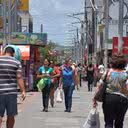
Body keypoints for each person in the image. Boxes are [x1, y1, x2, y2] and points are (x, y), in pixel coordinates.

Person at [93, 54, 128, 128]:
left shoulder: (108, 72)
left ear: (112, 63)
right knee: (119, 122)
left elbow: (99, 85)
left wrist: (94, 98)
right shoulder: (126, 74)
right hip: (123, 99)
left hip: (109, 98)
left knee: (108, 122)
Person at [0, 47, 26, 128]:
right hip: (11, 93)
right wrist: (23, 91)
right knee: (11, 115)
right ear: (13, 54)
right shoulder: (16, 62)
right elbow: (19, 77)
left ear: (4, 52)